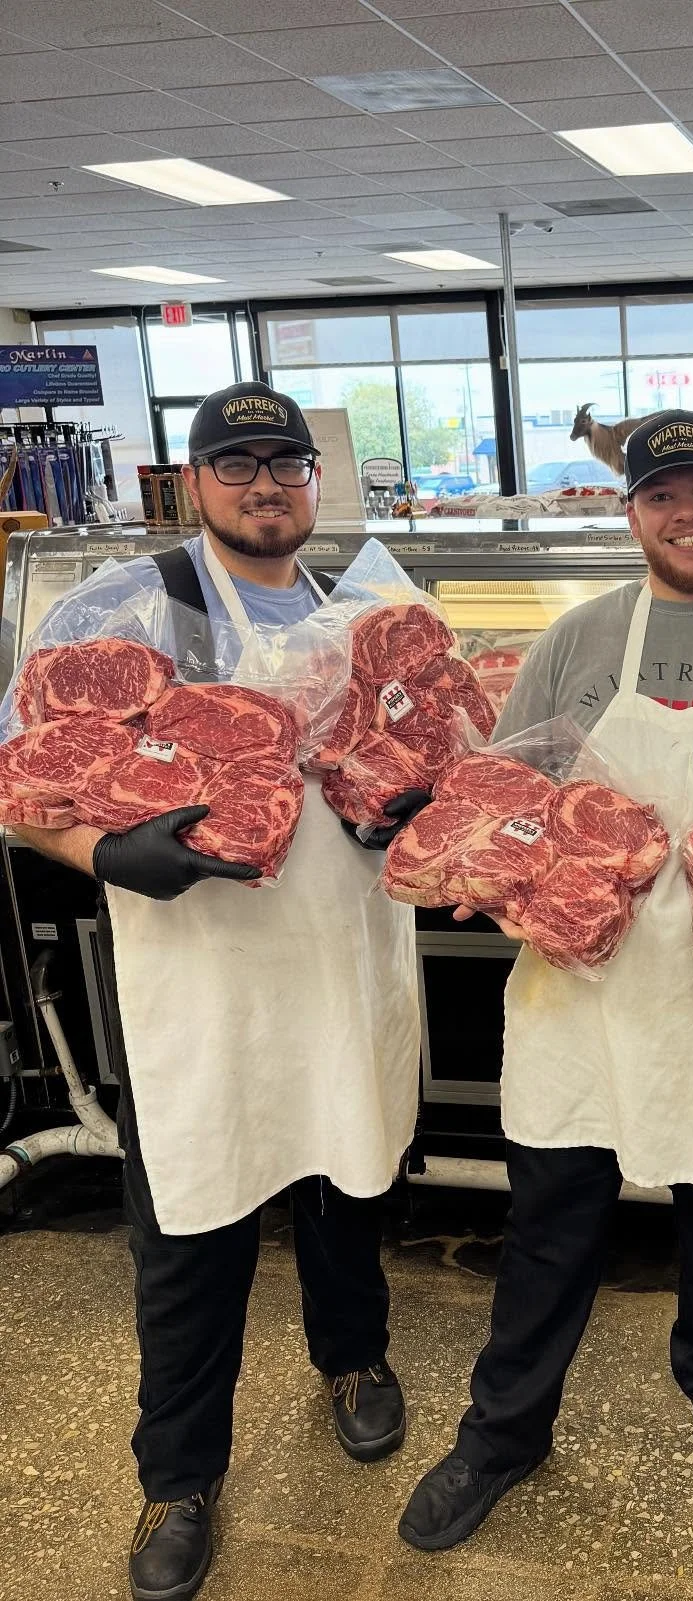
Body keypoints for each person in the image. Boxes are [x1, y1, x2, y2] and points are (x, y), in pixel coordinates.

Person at [400, 409, 693, 1552]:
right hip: (580, 980)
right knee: (551, 1218)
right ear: (632, 512)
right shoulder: (579, 638)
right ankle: (504, 1430)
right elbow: (506, 795)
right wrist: (494, 876)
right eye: (662, 494)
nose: (686, 512)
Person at [8, 381, 425, 1601]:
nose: (265, 485)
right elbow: (20, 782)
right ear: (192, 483)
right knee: (190, 1231)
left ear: (313, 480)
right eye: (236, 464)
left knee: (350, 1182)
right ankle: (179, 1476)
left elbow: (431, 761)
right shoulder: (125, 606)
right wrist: (104, 852)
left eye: (285, 463)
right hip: (202, 987)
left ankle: (354, 1357)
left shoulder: (364, 614)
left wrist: (414, 805)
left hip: (341, 965)